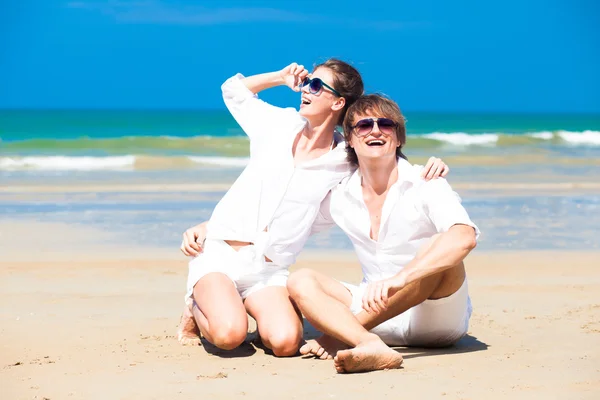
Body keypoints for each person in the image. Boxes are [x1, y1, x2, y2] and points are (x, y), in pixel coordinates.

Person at [177, 60, 449, 357]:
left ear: (338, 102)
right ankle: (195, 307)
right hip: (222, 253)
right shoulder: (277, 124)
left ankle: (238, 304)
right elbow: (233, 90)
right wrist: (280, 77)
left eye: (317, 86)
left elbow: (385, 164)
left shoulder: (345, 158)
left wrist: (428, 168)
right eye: (308, 82)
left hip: (269, 270)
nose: (306, 89)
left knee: (285, 344)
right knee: (229, 335)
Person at [287, 94, 479, 373]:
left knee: (438, 246)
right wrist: (217, 232)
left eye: (386, 124)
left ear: (398, 137)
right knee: (301, 279)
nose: (375, 130)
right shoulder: (340, 194)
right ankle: (368, 343)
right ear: (350, 139)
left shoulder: (426, 183)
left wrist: (400, 279)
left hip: (435, 320)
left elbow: (465, 237)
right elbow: (286, 228)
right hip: (373, 310)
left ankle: (342, 333)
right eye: (363, 126)